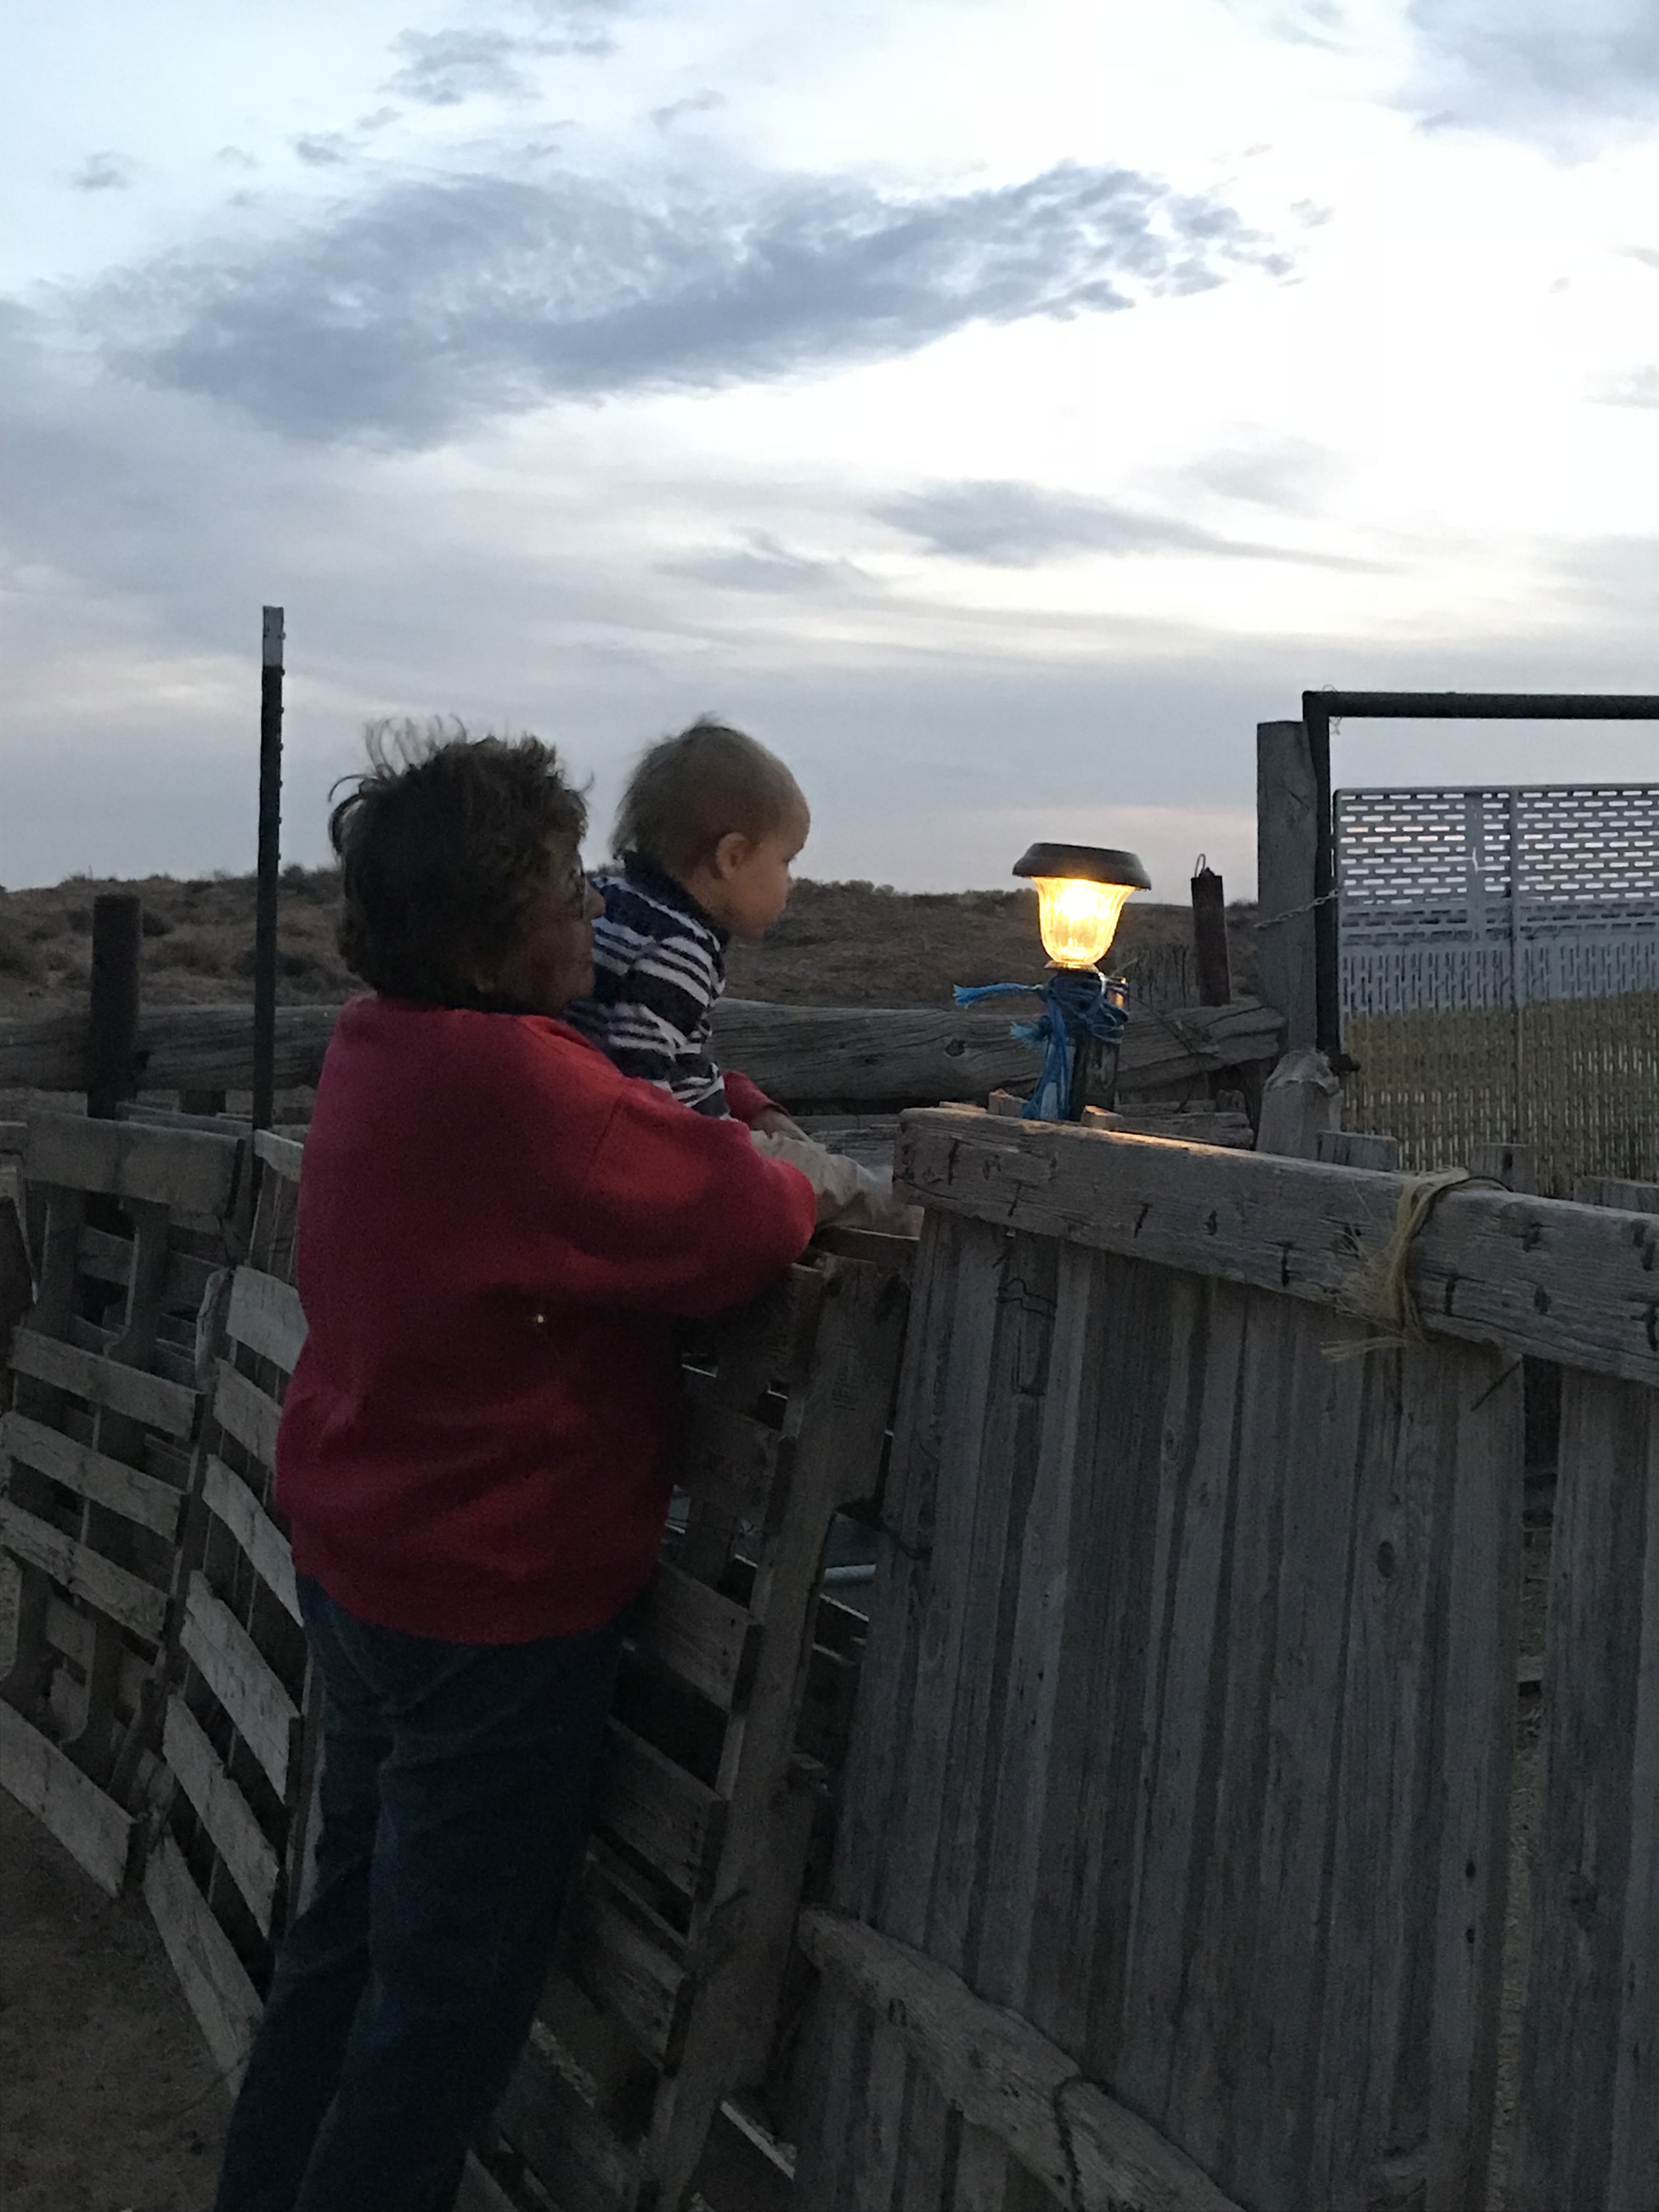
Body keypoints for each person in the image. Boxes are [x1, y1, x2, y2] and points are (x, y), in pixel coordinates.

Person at [212, 724, 816, 2212]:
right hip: (491, 1602)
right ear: (492, 938)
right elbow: (741, 1224)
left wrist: (722, 1103)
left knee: (349, 1935)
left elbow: (641, 1117)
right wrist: (785, 1160)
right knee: (446, 2002)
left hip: (368, 1564)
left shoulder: (384, 1044)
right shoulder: (523, 1094)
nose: (593, 912)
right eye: (563, 892)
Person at [566, 718, 915, 1231]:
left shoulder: (610, 902)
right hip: (694, 1159)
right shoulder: (679, 950)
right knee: (854, 1189)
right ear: (732, 857)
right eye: (785, 861)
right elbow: (638, 1091)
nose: (790, 883)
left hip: (682, 1144)